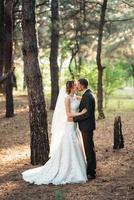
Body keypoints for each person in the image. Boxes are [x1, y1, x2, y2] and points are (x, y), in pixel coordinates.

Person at [22, 80, 87, 185]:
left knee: (76, 145)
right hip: (70, 126)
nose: (77, 87)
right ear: (70, 88)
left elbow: (86, 98)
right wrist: (81, 113)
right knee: (69, 146)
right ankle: (67, 169)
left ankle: (78, 167)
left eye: (76, 85)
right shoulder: (67, 99)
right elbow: (69, 115)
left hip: (75, 126)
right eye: (75, 86)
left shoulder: (76, 97)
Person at [68, 78, 96, 180]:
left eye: (78, 84)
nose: (77, 86)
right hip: (86, 126)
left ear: (82, 85)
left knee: (89, 149)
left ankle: (91, 172)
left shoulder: (88, 96)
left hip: (87, 126)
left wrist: (74, 119)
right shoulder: (86, 95)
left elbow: (87, 113)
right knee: (88, 148)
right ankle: (90, 169)